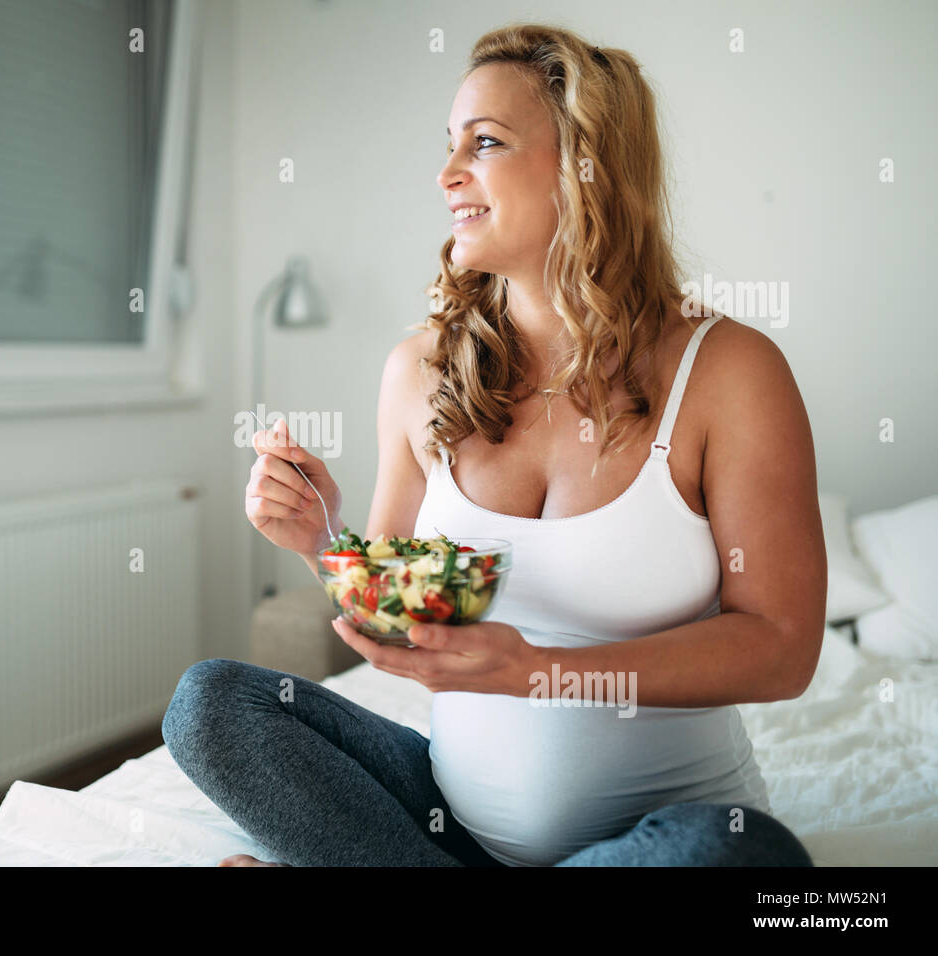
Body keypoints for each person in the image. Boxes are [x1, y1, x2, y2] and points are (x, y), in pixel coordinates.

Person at [163, 23, 824, 866]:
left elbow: (783, 647)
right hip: (454, 823)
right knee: (212, 701)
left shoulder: (729, 371)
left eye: (485, 144)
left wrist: (535, 670)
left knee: (731, 855)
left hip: (658, 837)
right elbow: (403, 626)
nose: (447, 177)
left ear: (588, 165)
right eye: (449, 147)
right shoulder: (418, 371)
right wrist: (321, 539)